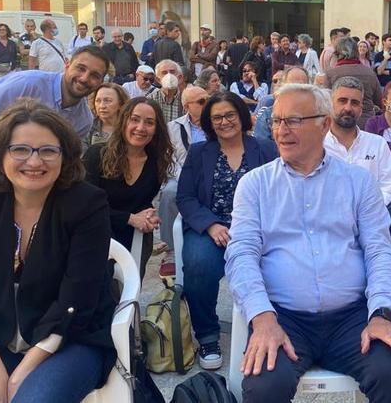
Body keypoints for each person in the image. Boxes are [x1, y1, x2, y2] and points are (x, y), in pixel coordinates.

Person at [225, 83, 391, 402]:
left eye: (294, 120)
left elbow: (380, 251)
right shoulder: (255, 185)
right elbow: (241, 255)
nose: (281, 131)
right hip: (284, 316)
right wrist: (262, 317)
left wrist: (381, 312)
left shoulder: (357, 182)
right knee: (264, 387)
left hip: (352, 316)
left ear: (323, 124)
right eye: (276, 121)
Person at [0, 100, 118, 403]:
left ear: (64, 156)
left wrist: (20, 374)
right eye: (20, 149)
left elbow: (79, 296)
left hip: (68, 339)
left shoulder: (87, 203)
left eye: (48, 150)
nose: (34, 162)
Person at [175, 92, 277, 369]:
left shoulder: (266, 149)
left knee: (281, 261)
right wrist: (210, 225)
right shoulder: (199, 153)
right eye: (216, 117)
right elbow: (184, 197)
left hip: (257, 228)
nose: (224, 122)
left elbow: (281, 191)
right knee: (197, 263)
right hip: (212, 226)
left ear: (242, 117)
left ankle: (268, 324)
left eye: (230, 115)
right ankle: (208, 335)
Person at [0, 45, 110, 196]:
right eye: (80, 68)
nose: (84, 78)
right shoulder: (27, 83)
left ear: (101, 82)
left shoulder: (83, 120)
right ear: (67, 64)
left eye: (94, 75)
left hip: (17, 172)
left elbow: (61, 156)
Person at [84, 97, 173, 279]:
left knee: (128, 290)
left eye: (149, 122)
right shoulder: (96, 155)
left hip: (134, 234)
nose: (141, 128)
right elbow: (85, 207)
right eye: (134, 119)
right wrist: (129, 218)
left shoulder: (156, 161)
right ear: (124, 121)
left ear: (156, 129)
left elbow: (142, 201)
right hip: (94, 231)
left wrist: (149, 215)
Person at [324, 76, 391, 247]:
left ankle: (364, 253)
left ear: (361, 108)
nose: (348, 108)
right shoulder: (317, 145)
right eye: (342, 101)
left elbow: (388, 187)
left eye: (355, 103)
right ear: (330, 104)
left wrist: (363, 211)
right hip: (329, 222)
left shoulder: (376, 144)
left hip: (371, 219)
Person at [158, 86, 210, 278]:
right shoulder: (173, 127)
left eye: (208, 99)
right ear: (187, 106)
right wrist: (186, 178)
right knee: (170, 193)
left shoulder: (215, 124)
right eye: (202, 101)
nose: (208, 104)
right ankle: (170, 250)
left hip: (209, 176)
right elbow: (168, 159)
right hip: (180, 176)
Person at [326, 37, 383, 128]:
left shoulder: (331, 74)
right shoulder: (369, 73)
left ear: (337, 53)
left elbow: (325, 103)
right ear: (356, 52)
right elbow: (379, 99)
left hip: (340, 122)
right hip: (366, 123)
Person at [254, 66, 309, 141]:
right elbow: (262, 147)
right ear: (283, 87)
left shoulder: (316, 116)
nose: (297, 90)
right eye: (292, 85)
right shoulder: (267, 116)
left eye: (301, 86)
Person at [83, 82, 129, 150]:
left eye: (108, 101)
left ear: (121, 104)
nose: (102, 106)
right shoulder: (87, 128)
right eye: (98, 101)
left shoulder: (130, 128)